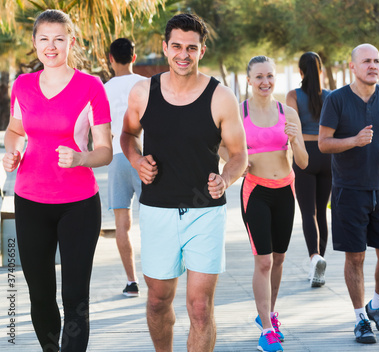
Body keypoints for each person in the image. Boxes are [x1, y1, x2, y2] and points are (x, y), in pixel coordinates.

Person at [120, 13, 247, 352]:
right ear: (165, 47)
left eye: (191, 48)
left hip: (205, 211)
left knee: (201, 308)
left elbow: (239, 155)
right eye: (176, 46)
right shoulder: (142, 92)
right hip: (157, 209)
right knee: (158, 301)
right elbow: (128, 135)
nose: (183, 54)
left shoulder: (221, 97)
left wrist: (226, 178)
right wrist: (136, 160)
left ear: (201, 50)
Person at [3, 9, 112, 351]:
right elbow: (15, 130)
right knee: (40, 295)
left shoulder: (91, 87)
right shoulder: (21, 86)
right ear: (35, 42)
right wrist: (12, 152)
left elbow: (105, 150)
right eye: (44, 39)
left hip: (79, 204)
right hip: (30, 201)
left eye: (59, 39)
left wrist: (82, 158)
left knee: (75, 295)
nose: (51, 46)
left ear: (71, 42)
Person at [318, 43, 379, 344]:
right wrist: (353, 140)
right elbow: (324, 143)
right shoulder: (336, 100)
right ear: (352, 66)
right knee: (355, 257)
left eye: (377, 60)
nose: (373, 66)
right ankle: (360, 319)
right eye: (366, 61)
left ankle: (377, 306)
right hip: (349, 191)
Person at [240, 55, 308, 352]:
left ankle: (268, 315)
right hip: (256, 191)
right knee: (264, 260)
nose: (265, 82)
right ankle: (266, 330)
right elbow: (222, 147)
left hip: (285, 191)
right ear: (249, 80)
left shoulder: (288, 112)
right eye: (259, 77)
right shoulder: (238, 113)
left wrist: (294, 141)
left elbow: (304, 163)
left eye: (269, 76)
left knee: (279, 258)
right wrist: (236, 162)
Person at [286, 52, 332, 288]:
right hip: (328, 157)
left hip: (304, 157)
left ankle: (314, 258)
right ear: (320, 70)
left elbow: (291, 128)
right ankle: (319, 263)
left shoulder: (293, 96)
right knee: (322, 212)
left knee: (308, 213)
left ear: (301, 72)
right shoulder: (331, 96)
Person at [105, 38, 145, 297]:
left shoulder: (103, 89)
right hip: (144, 157)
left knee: (122, 223)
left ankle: (131, 282)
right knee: (153, 220)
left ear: (110, 59)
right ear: (134, 57)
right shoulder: (145, 85)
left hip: (117, 156)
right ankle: (157, 278)